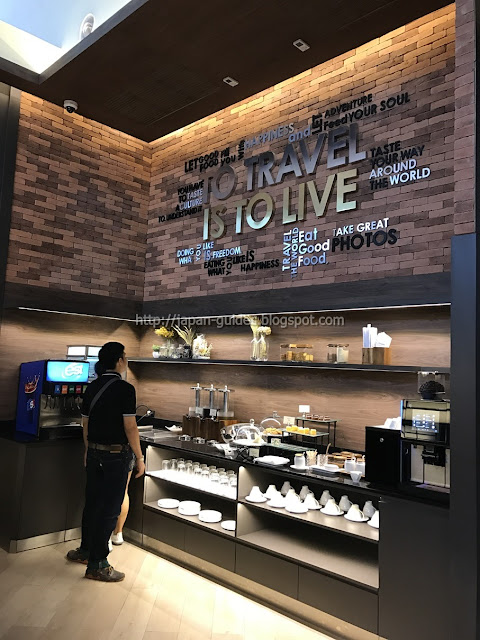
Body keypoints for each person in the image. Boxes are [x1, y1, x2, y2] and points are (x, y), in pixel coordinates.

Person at [66, 342, 145, 582]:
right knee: (110, 508)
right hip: (116, 456)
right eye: (125, 357)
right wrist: (140, 457)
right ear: (120, 360)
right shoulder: (125, 389)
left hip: (94, 453)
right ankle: (98, 564)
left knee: (92, 503)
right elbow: (130, 427)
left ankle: (85, 550)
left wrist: (88, 450)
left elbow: (86, 424)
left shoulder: (92, 387)